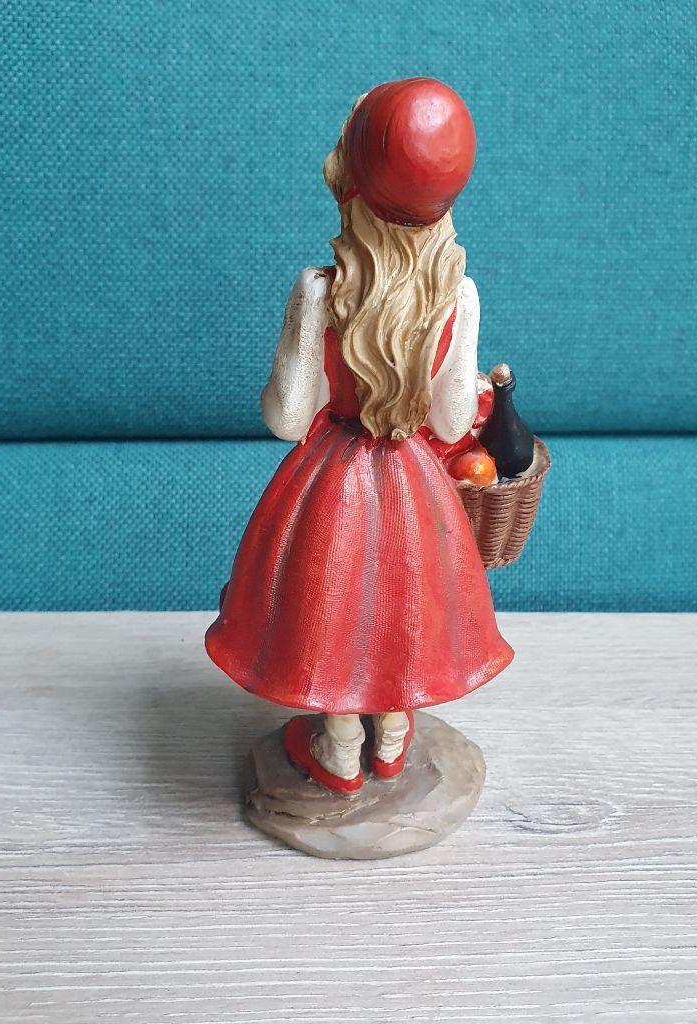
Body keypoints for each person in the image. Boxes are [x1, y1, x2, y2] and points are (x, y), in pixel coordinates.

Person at [206, 78, 513, 793]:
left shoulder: (320, 290)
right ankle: (393, 740)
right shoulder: (458, 294)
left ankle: (341, 747)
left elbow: (287, 417)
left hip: (332, 477)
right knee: (406, 604)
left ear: (349, 182)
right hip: (413, 480)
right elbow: (449, 420)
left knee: (331, 604)